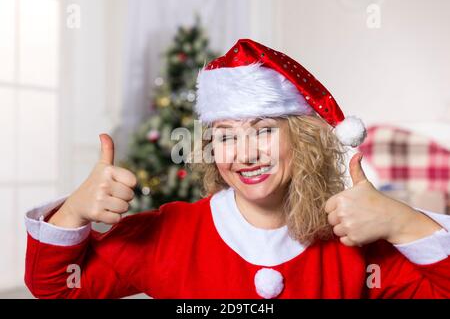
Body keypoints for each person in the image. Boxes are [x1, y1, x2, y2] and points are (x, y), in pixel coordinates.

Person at [24, 39, 450, 299]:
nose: (244, 155)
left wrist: (403, 222)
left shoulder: (352, 240)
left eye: (263, 131)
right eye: (226, 136)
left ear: (301, 138)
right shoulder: (170, 234)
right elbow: (59, 288)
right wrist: (74, 213)